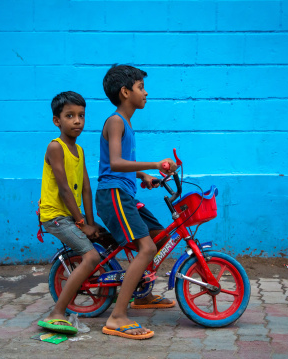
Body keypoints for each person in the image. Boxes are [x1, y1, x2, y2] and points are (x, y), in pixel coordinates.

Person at [96, 64, 178, 340]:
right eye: (141, 87)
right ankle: (117, 316)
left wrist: (143, 175)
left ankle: (142, 294)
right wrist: (155, 163)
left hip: (125, 194)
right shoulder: (116, 121)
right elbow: (116, 163)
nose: (146, 92)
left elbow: (119, 162)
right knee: (145, 248)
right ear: (125, 92)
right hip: (114, 195)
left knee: (158, 237)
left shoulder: (125, 122)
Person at [37, 91, 102, 335]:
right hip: (55, 215)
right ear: (57, 121)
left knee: (102, 239)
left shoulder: (80, 150)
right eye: (70, 116)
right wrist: (80, 221)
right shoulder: (56, 147)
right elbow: (64, 189)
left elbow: (86, 187)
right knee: (92, 257)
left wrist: (91, 224)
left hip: (70, 215)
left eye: (81, 116)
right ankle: (56, 313)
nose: (77, 121)